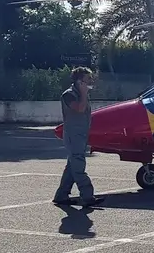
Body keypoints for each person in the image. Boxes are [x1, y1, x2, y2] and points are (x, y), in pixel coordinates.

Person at [52, 67, 104, 207]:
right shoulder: (69, 95)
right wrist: (83, 92)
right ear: (79, 81)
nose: (91, 81)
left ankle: (61, 196)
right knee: (78, 166)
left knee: (72, 167)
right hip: (73, 136)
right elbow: (79, 109)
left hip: (80, 135)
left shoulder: (82, 94)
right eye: (88, 79)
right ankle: (87, 196)